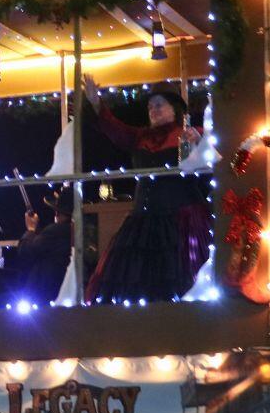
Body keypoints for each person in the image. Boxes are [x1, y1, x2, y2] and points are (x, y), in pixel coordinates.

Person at [81, 75, 211, 303]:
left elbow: (213, 152)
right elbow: (114, 128)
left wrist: (199, 140)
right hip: (144, 219)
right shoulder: (140, 137)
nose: (153, 110)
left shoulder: (189, 132)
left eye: (159, 105)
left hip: (181, 218)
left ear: (175, 108)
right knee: (133, 281)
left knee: (181, 279)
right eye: (150, 106)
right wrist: (96, 103)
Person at [15, 186, 74, 305]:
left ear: (58, 212)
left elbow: (25, 251)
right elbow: (43, 244)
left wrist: (31, 229)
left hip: (44, 294)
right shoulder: (70, 231)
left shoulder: (55, 231)